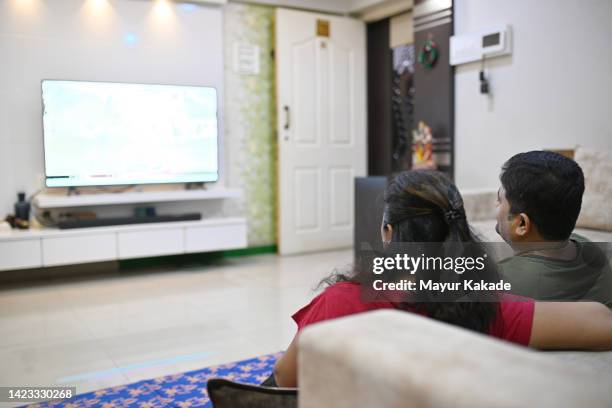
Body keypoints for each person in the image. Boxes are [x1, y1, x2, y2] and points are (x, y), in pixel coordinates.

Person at [268, 170, 612, 388]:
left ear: (389, 233)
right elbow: (601, 321)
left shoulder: (341, 301)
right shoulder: (487, 307)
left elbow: (285, 380)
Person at [496, 151, 612, 307]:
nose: (496, 206)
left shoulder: (504, 282)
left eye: (499, 200)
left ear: (522, 224)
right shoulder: (590, 250)